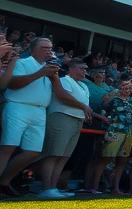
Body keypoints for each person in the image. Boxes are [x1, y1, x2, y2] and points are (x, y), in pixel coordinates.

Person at [0, 37, 60, 198]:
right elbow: (12, 84)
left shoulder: (50, 68)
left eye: (50, 48)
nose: (48, 50)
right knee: (7, 146)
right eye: (44, 47)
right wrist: (40, 73)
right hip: (18, 106)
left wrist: (52, 76)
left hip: (40, 111)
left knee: (33, 152)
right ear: (34, 49)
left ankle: (4, 181)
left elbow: (57, 91)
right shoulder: (23, 63)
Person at [37, 60, 95, 198]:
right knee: (53, 154)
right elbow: (62, 96)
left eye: (86, 69)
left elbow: (84, 105)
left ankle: (53, 188)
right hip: (62, 117)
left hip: (77, 120)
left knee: (63, 156)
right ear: (72, 69)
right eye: (82, 68)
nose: (84, 72)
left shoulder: (84, 86)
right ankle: (46, 188)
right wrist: (83, 107)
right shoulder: (65, 80)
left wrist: (87, 111)